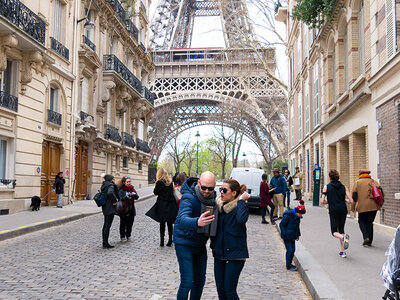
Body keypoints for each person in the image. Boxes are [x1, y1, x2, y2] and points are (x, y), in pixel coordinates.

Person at [173, 171, 217, 300]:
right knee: (187, 282)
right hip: (184, 243)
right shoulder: (188, 197)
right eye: (204, 187)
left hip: (199, 243)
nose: (207, 191)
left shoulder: (213, 198)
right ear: (198, 183)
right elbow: (181, 219)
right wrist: (197, 222)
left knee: (200, 281)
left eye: (210, 188)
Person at [211, 179, 250, 300]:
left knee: (230, 291)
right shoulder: (219, 206)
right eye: (220, 189)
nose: (221, 192)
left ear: (234, 193)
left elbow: (241, 220)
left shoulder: (240, 207)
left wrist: (241, 202)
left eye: (224, 190)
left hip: (235, 255)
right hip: (219, 254)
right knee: (221, 292)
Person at [320, 170, 354, 258]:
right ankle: (343, 252)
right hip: (343, 210)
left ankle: (343, 238)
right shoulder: (344, 187)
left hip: (333, 210)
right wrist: (344, 200)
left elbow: (322, 201)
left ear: (330, 178)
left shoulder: (327, 187)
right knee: (341, 230)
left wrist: (329, 202)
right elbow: (351, 201)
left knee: (334, 232)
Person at [146, 168, 178, 247]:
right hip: (170, 204)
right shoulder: (170, 182)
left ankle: (162, 241)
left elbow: (155, 192)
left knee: (162, 223)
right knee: (170, 223)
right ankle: (170, 240)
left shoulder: (159, 182)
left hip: (162, 204)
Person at [351, 169, 384, 246]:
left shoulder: (357, 183)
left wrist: (353, 207)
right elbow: (381, 193)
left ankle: (366, 237)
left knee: (361, 221)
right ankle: (370, 241)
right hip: (374, 207)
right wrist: (380, 204)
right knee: (369, 222)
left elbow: (354, 196)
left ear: (360, 174)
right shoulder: (374, 182)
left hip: (363, 207)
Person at [279, 200, 306, 271]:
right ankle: (288, 265)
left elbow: (297, 227)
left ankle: (290, 263)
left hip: (292, 236)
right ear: (297, 212)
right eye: (300, 214)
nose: (300, 216)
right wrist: (284, 233)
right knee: (289, 250)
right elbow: (282, 224)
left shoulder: (297, 218)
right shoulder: (288, 216)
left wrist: (298, 235)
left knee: (293, 250)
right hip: (287, 236)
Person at [117, 176, 139, 242]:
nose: (129, 183)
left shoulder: (132, 189)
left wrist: (134, 195)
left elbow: (137, 197)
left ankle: (128, 235)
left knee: (130, 223)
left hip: (131, 208)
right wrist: (126, 197)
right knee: (123, 223)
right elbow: (120, 199)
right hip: (123, 209)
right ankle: (122, 236)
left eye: (129, 181)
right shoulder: (121, 190)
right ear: (124, 182)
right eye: (127, 182)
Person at [101, 174, 119, 248]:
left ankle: (104, 241)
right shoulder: (110, 185)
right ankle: (105, 243)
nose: (114, 180)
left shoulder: (104, 184)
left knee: (105, 225)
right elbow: (110, 192)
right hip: (110, 206)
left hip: (105, 206)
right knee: (108, 225)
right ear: (111, 179)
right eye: (113, 178)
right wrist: (115, 200)